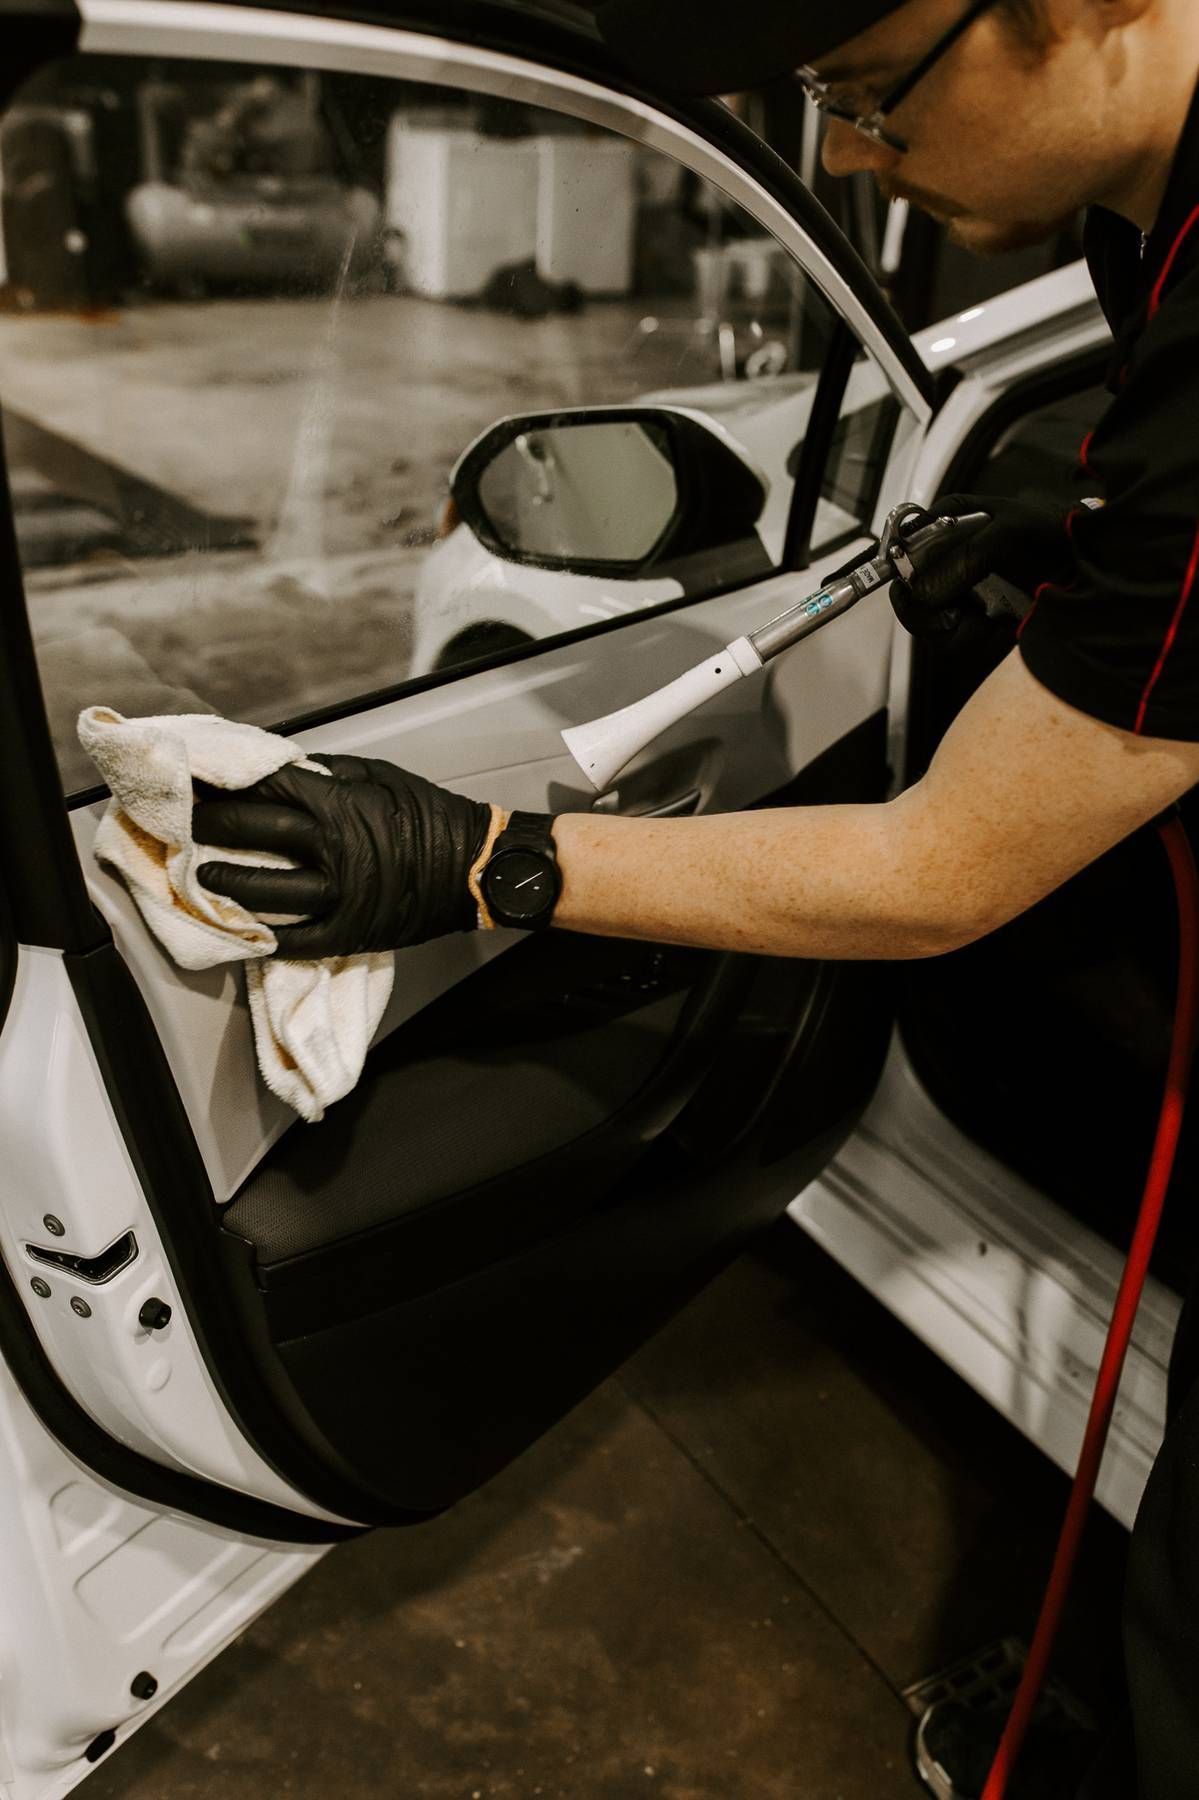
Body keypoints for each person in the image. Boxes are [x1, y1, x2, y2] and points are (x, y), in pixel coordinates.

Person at [192, 3, 1199, 1794]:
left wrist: (488, 861)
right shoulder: (1149, 209)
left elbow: (941, 869)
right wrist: (1092, 528)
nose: (841, 165)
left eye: (860, 101)